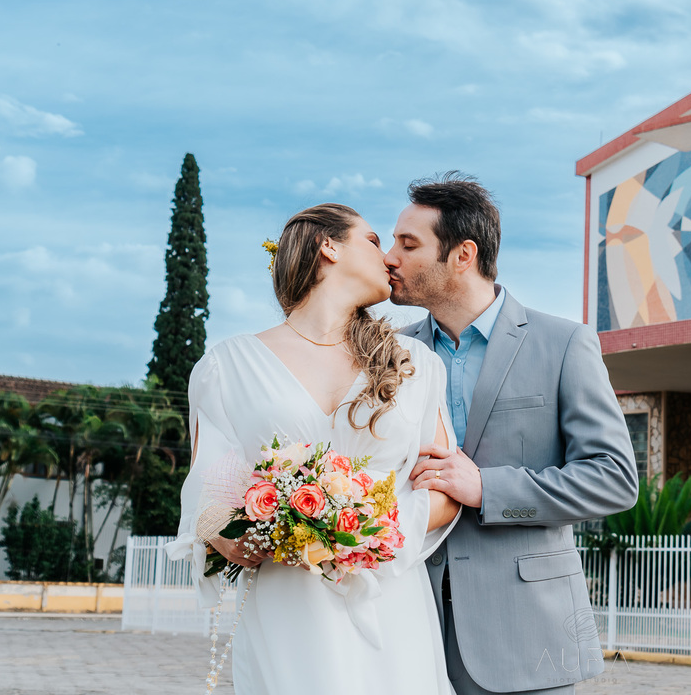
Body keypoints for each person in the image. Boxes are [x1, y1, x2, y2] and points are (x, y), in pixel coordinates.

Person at [167, 203, 461, 694]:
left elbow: (445, 489)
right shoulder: (227, 366)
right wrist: (225, 536)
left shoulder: (415, 363)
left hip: (387, 595)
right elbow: (206, 488)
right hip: (287, 597)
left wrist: (359, 531)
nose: (390, 258)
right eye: (373, 241)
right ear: (328, 246)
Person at [385, 174, 639, 695]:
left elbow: (614, 479)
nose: (390, 258)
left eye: (408, 245)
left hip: (527, 637)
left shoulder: (563, 343)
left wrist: (488, 489)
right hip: (407, 630)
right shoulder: (389, 354)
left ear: (463, 255)